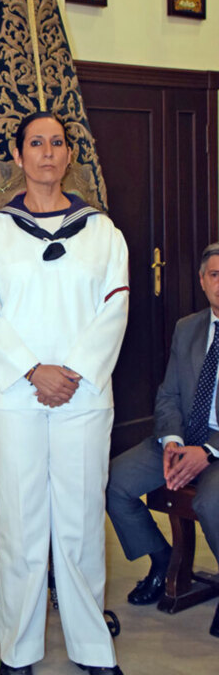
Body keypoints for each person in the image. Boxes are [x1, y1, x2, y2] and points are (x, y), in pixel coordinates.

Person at [0, 111, 129, 675]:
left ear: (68, 154)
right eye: (36, 143)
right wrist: (34, 370)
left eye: (57, 142)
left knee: (81, 522)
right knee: (21, 521)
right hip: (15, 398)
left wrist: (72, 371)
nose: (48, 152)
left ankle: (91, 649)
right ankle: (20, 651)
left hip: (82, 397)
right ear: (19, 155)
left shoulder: (102, 233)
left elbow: (114, 308)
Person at [106, 243, 219, 638]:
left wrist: (209, 451)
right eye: (215, 275)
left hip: (216, 448)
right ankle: (161, 560)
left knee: (210, 502)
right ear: (202, 281)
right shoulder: (187, 328)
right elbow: (168, 394)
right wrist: (171, 441)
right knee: (114, 481)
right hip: (182, 437)